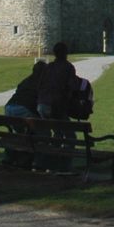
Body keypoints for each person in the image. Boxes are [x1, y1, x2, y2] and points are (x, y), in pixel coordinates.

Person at [35, 42, 79, 173]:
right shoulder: (68, 67)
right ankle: (64, 166)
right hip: (56, 106)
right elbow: (72, 87)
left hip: (42, 105)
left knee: (54, 135)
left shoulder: (48, 67)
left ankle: (48, 163)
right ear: (65, 53)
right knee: (71, 136)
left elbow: (40, 85)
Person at [1, 59, 45, 168]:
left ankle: (12, 158)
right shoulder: (40, 82)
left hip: (9, 107)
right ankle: (36, 161)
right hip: (23, 109)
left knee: (19, 134)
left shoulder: (26, 80)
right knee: (41, 132)